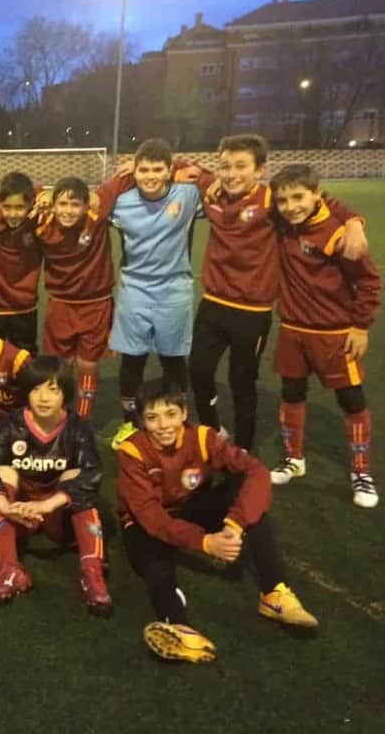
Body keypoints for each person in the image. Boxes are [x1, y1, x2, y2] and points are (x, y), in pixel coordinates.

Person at [117, 378, 317, 664]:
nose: (163, 425)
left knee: (243, 488)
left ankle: (273, 593)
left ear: (184, 413)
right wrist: (205, 542)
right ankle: (179, 626)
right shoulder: (131, 451)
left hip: (192, 506)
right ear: (141, 422)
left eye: (170, 414)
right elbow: (151, 517)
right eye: (152, 418)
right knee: (153, 560)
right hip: (145, 521)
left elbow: (257, 471)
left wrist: (235, 523)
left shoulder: (203, 437)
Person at [186, 134, 366, 452]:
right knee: (198, 371)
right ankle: (213, 429)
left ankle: (244, 448)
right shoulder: (213, 189)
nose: (231, 174)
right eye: (225, 166)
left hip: (252, 313)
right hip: (212, 303)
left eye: (241, 166)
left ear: (260, 171)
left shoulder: (272, 200)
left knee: (242, 381)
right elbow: (182, 167)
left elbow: (318, 200)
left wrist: (353, 222)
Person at [268, 164, 380, 508]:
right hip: (293, 329)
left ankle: (361, 473)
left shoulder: (337, 233)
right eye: (283, 200)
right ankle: (294, 458)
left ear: (317, 194)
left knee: (351, 400)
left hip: (335, 333)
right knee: (292, 393)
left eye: (298, 197)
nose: (291, 206)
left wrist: (360, 326)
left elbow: (370, 281)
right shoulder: (283, 224)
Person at [0, 355, 111, 612]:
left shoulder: (77, 427)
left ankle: (92, 572)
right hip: (19, 513)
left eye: (53, 390)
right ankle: (8, 568)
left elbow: (93, 474)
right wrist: (4, 504)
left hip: (58, 514)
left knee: (76, 475)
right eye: (36, 389)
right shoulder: (12, 423)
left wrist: (49, 504)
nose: (43, 398)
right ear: (26, 393)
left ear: (65, 394)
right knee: (3, 471)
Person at [101, 139, 199, 443]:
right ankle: (131, 423)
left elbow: (215, 181)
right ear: (134, 171)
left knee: (173, 360)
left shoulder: (188, 195)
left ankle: (177, 421)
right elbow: (97, 200)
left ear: (169, 170)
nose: (151, 176)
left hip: (174, 290)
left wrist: (182, 165)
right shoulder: (121, 202)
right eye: (143, 170)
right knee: (132, 360)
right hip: (135, 290)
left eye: (158, 169)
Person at [36, 176, 115, 421]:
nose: (68, 211)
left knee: (88, 363)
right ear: (53, 205)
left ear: (85, 206)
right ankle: (61, 415)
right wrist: (41, 193)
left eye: (75, 204)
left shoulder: (96, 217)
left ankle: (82, 418)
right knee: (62, 364)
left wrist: (176, 170)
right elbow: (16, 191)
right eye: (62, 204)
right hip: (60, 304)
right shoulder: (43, 225)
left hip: (95, 304)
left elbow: (119, 182)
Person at [0, 171, 42, 353]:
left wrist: (46, 195)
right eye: (7, 207)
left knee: (25, 358)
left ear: (30, 204)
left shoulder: (37, 218)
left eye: (19, 207)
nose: (13, 214)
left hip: (24, 307)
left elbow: (42, 192)